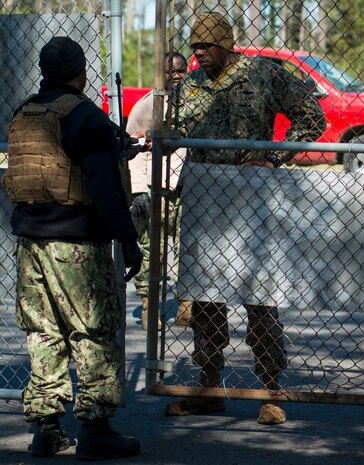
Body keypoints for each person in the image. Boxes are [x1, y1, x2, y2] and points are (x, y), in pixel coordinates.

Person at [164, 13, 325, 424]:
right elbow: (175, 130)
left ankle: (271, 389)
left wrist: (274, 157)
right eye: (193, 46)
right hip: (204, 201)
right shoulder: (191, 85)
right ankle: (209, 384)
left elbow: (312, 117)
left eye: (205, 46)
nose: (197, 53)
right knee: (204, 298)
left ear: (226, 44)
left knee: (259, 298)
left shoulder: (263, 74)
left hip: (251, 201)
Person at [2, 37, 143, 459]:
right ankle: (96, 428)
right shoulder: (84, 115)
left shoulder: (25, 112)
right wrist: (129, 240)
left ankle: (45, 428)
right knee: (94, 330)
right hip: (77, 245)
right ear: (80, 72)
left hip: (31, 245)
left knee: (44, 333)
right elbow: (105, 187)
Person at [127, 52, 191, 330]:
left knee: (188, 250)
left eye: (181, 70)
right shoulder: (147, 107)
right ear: (159, 73)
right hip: (157, 188)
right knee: (153, 250)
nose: (176, 75)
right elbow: (133, 152)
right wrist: (140, 191)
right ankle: (148, 308)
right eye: (170, 71)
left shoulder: (193, 104)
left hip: (187, 187)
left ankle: (187, 308)